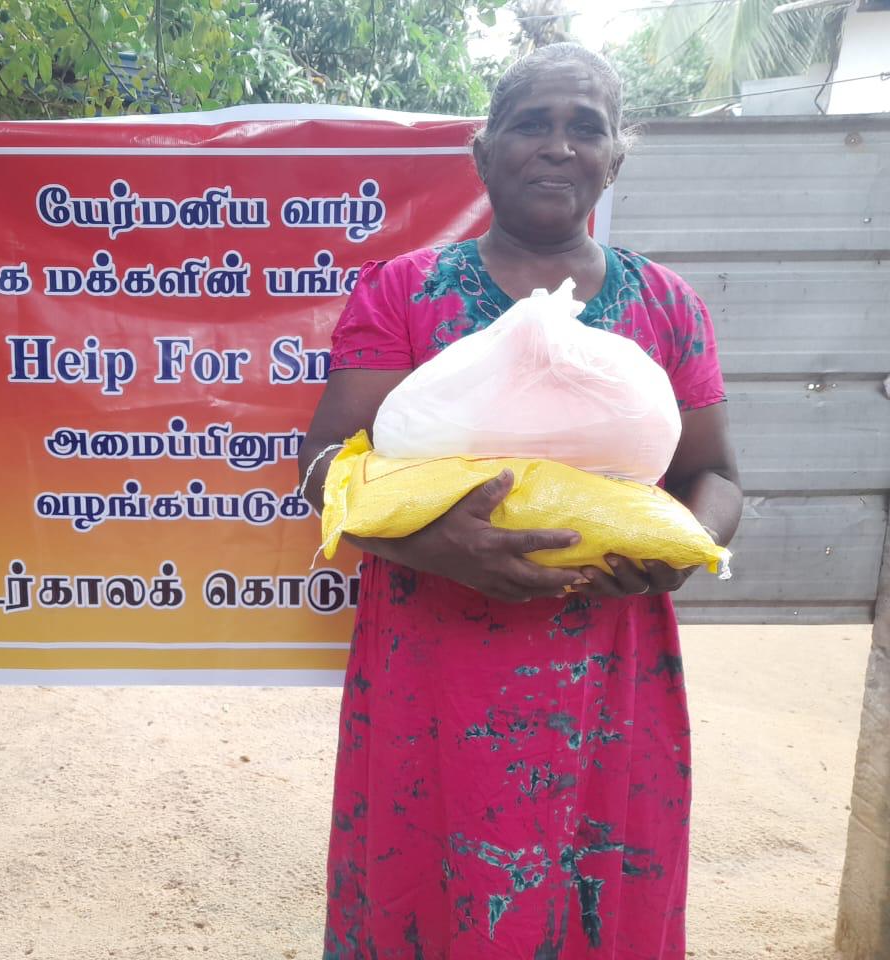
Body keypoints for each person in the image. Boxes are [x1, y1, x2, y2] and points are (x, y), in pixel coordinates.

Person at [298, 43, 743, 959]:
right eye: (532, 123)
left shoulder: (667, 306)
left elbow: (717, 475)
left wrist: (685, 547)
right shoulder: (405, 292)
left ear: (616, 156)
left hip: (608, 658)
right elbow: (322, 466)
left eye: (587, 128)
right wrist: (433, 545)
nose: (558, 146)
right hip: (434, 652)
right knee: (427, 882)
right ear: (484, 150)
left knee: (596, 888)